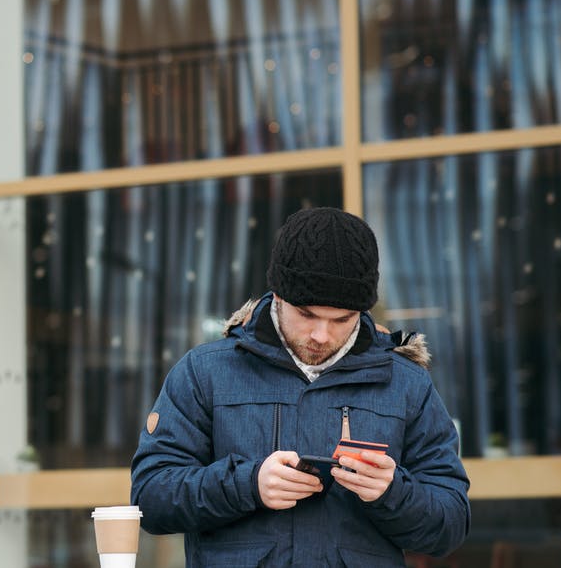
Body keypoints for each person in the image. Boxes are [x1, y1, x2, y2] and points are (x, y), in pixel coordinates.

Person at [130, 207, 469, 567]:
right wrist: (248, 484)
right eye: (307, 314)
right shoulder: (205, 371)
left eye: (341, 320)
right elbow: (151, 498)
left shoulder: (406, 383)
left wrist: (392, 493)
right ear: (277, 295)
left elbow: (450, 523)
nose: (322, 335)